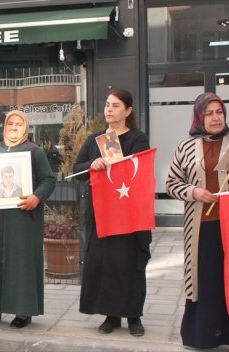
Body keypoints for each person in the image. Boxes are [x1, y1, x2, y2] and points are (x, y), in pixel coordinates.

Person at [166, 93, 229, 351]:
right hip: (201, 227)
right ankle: (203, 337)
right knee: (207, 282)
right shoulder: (186, 147)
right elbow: (171, 184)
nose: (215, 117)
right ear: (200, 116)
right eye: (209, 113)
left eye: (219, 112)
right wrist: (194, 192)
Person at [73, 89, 151, 337]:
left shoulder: (138, 138)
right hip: (102, 213)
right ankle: (111, 316)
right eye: (107, 105)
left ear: (128, 111)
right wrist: (92, 165)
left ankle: (134, 316)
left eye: (115, 105)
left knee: (130, 264)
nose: (109, 109)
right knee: (106, 264)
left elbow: (135, 168)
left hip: (130, 214)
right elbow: (77, 169)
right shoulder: (94, 139)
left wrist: (111, 153)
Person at [0, 110, 56, 329]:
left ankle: (23, 311)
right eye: (10, 123)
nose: (13, 127)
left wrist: (36, 197)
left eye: (18, 124)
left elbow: (49, 180)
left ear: (26, 127)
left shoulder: (34, 151)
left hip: (23, 218)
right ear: (4, 126)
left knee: (21, 262)